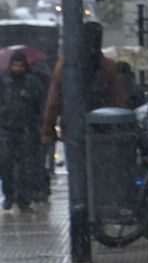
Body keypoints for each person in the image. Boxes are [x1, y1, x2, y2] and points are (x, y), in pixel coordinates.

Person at [41, 22, 129, 146]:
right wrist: (122, 127)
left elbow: (54, 101)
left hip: (74, 126)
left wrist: (48, 131)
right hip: (102, 127)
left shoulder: (66, 65)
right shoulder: (108, 66)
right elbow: (118, 98)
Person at [0, 51, 48, 211]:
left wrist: (39, 124)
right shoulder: (3, 81)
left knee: (25, 167)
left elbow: (40, 105)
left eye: (20, 65)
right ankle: (9, 196)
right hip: (6, 129)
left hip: (27, 130)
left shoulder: (32, 83)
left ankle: (23, 199)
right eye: (15, 65)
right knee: (6, 164)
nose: (17, 68)